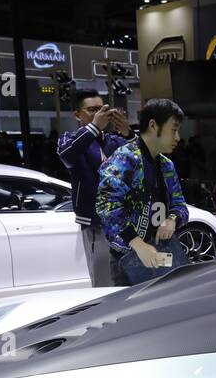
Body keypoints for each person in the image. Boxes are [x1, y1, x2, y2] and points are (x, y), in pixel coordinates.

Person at [96, 97, 190, 286]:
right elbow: (106, 206)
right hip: (128, 257)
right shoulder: (125, 158)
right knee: (131, 313)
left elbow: (180, 204)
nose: (178, 138)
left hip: (161, 251)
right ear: (154, 126)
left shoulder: (166, 165)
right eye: (174, 130)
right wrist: (137, 243)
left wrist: (172, 220)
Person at [57, 89, 131, 285]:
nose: (98, 114)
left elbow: (142, 159)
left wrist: (128, 132)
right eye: (92, 110)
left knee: (131, 278)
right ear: (77, 114)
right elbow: (67, 155)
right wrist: (94, 127)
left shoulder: (114, 140)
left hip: (125, 221)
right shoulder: (69, 139)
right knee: (103, 282)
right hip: (95, 222)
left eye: (102, 109)